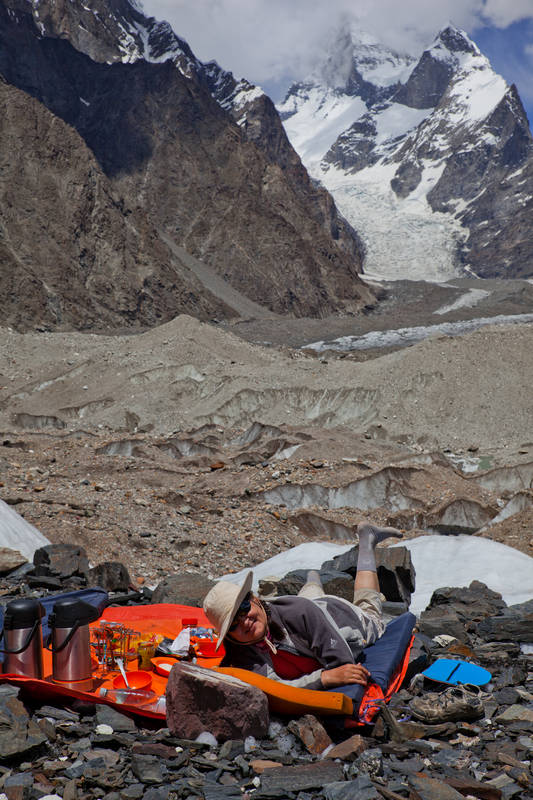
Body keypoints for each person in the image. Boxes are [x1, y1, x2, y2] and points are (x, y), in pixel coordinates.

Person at [202, 524, 402, 690]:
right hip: (310, 609)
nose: (244, 621)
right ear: (229, 636)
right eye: (233, 624)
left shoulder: (299, 612)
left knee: (369, 608)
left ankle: (367, 539)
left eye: (244, 608)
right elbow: (273, 689)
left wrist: (321, 678)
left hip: (341, 616)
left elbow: (343, 668)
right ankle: (313, 581)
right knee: (309, 602)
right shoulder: (243, 653)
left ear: (254, 599)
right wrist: (322, 679)